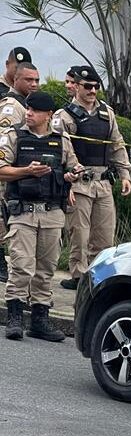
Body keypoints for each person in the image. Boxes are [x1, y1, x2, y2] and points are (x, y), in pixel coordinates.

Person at [0, 91, 83, 341]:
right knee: (22, 266)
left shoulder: (61, 140)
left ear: (48, 115)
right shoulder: (14, 136)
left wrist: (74, 175)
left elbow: (73, 166)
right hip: (23, 212)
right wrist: (26, 171)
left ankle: (40, 319)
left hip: (52, 213)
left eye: (34, 110)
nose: (29, 113)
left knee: (45, 269)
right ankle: (15, 316)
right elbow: (1, 170)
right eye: (28, 109)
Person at [52, 65, 131, 290]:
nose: (93, 91)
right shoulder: (64, 115)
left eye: (96, 86)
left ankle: (101, 276)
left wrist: (125, 174)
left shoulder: (107, 113)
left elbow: (117, 144)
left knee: (105, 234)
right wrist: (68, 179)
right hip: (79, 182)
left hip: (104, 183)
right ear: (76, 86)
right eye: (87, 86)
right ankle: (79, 277)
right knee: (79, 234)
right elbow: (63, 150)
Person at [0, 61, 40, 282]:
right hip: (11, 175)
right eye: (28, 80)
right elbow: (6, 144)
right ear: (15, 79)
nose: (34, 84)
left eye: (36, 80)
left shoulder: (30, 105)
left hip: (28, 177)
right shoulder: (12, 106)